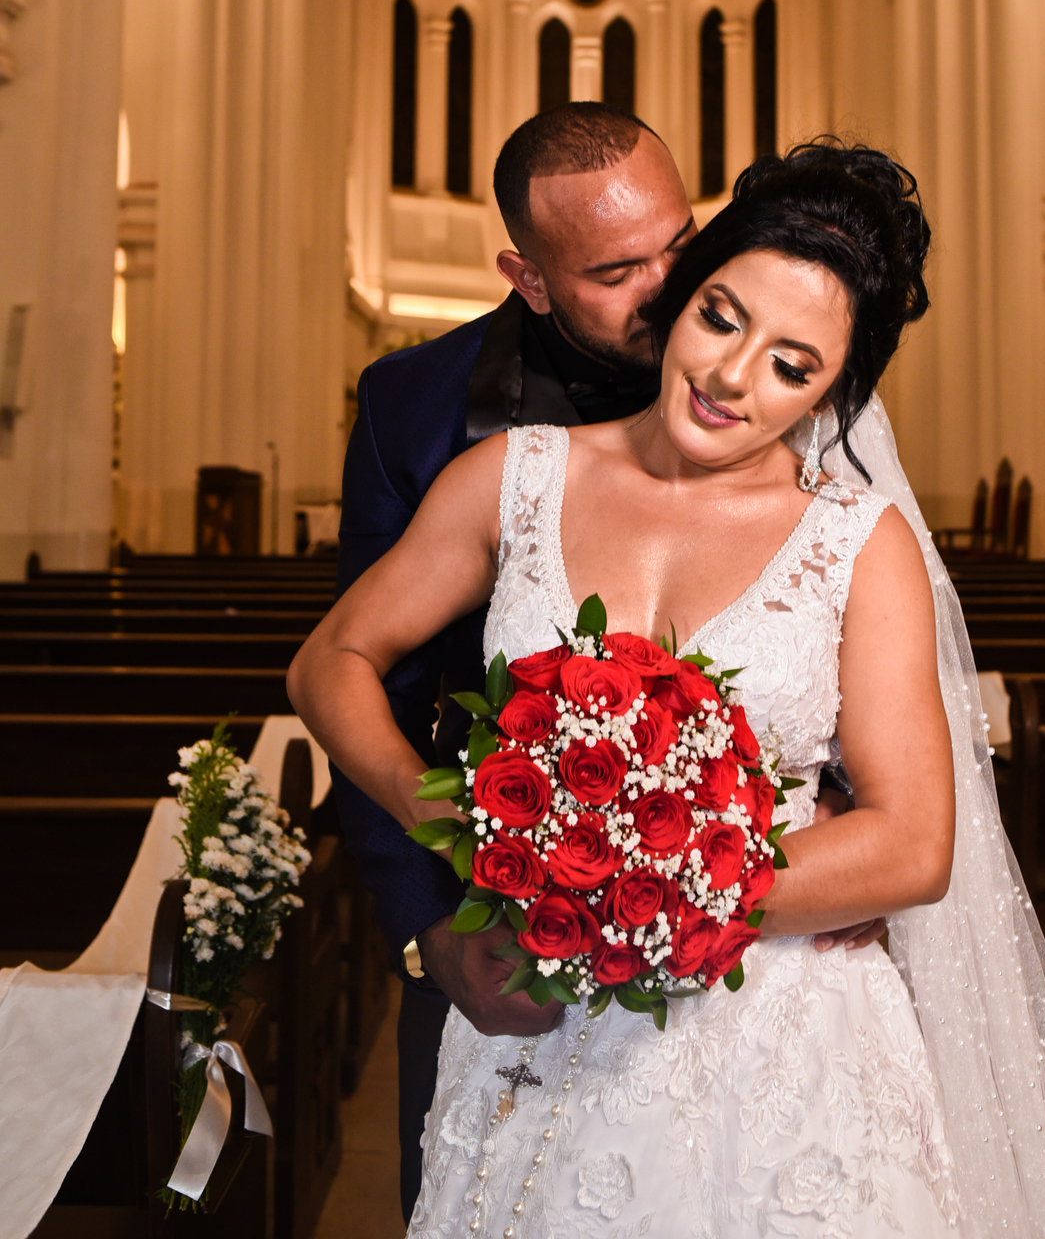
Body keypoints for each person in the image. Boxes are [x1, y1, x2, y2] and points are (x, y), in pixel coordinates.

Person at [293, 140, 1045, 1237]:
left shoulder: (855, 544)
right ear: (686, 293)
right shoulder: (517, 475)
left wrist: (640, 892)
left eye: (794, 365)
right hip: (536, 1032)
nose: (733, 378)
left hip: (780, 1042)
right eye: (723, 318)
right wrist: (448, 812)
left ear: (836, 390)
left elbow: (914, 843)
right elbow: (330, 663)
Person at [332, 104, 879, 1219]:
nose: (673, 290)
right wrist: (431, 920)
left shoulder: (762, 358)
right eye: (621, 270)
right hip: (497, 919)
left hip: (757, 948)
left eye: (683, 243)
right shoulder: (418, 412)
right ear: (529, 279)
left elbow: (845, 644)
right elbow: (364, 679)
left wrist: (823, 833)